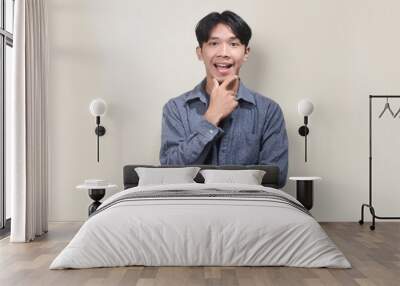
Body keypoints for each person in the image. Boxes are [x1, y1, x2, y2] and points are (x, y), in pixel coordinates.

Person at [159, 10, 288, 188]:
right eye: (214, 43)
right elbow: (169, 173)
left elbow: (276, 177)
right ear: (200, 52)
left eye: (233, 44)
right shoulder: (176, 108)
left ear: (246, 53)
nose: (224, 53)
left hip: (248, 211)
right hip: (191, 210)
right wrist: (211, 118)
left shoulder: (268, 111)